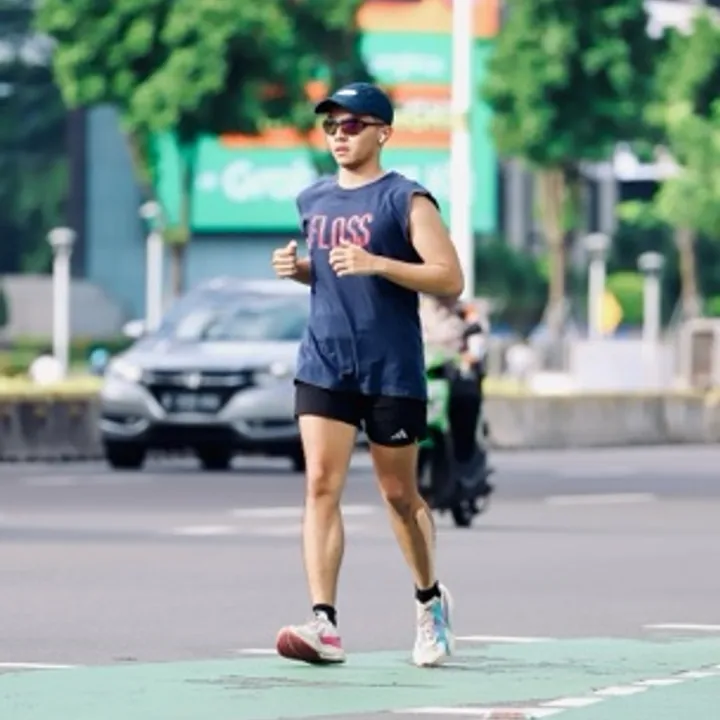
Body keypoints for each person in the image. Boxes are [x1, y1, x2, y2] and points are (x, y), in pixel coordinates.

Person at [270, 81, 464, 668]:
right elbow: (334, 273)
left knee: (398, 495)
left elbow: (449, 278)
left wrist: (378, 261)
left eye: (352, 125)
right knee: (319, 484)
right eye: (331, 126)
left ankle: (429, 602)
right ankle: (324, 624)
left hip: (391, 367)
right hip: (325, 361)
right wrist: (302, 270)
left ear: (383, 133)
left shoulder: (407, 199)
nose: (339, 135)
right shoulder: (313, 199)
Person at [419, 294, 486, 465]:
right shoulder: (417, 309)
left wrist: (467, 358)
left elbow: (477, 345)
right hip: (425, 376)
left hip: (455, 377)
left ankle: (465, 458)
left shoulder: (465, 312)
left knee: (466, 399)